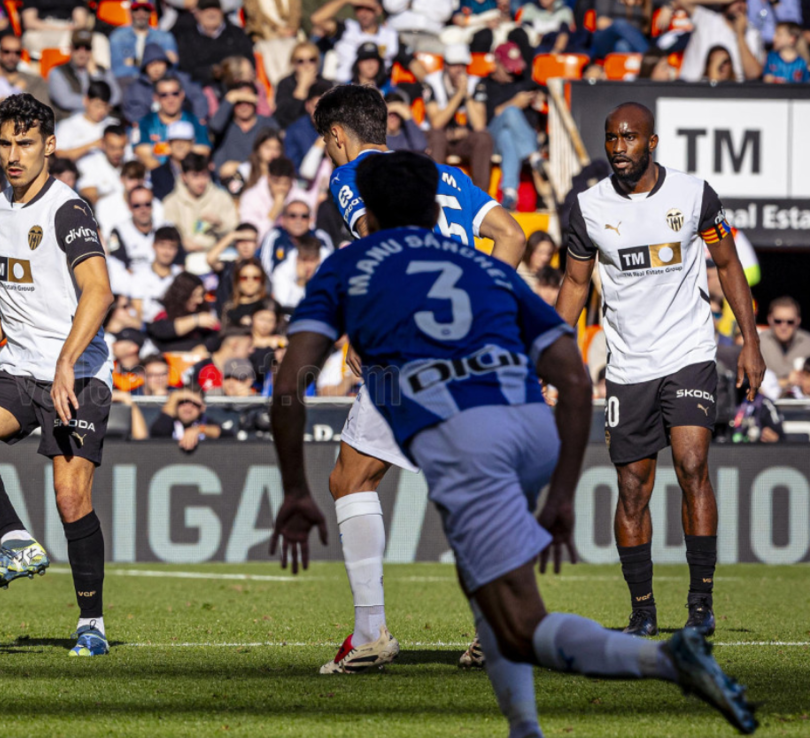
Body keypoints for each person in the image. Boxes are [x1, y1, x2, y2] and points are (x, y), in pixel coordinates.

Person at [270, 150, 758, 737]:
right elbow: (572, 378)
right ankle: (586, 688)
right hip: (517, 424)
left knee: (496, 601)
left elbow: (290, 383)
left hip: (440, 413)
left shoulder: (352, 266)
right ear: (434, 209)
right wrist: (560, 496)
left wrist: (295, 487)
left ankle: (641, 665)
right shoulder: (486, 270)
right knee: (507, 609)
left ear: (367, 214)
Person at [313, 83, 526, 670]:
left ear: (337, 136)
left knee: (351, 480)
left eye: (327, 144)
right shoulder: (445, 176)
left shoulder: (352, 174)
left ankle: (370, 634)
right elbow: (512, 235)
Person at [554, 102, 764, 638]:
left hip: (689, 352)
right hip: (628, 364)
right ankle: (643, 610)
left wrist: (750, 343)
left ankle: (700, 604)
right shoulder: (587, 207)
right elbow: (577, 284)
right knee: (632, 489)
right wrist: (552, 353)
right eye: (610, 137)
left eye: (629, 137)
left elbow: (728, 264)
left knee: (693, 464)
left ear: (651, 142)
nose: (618, 146)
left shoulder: (695, 196)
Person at [0, 94, 116, 658]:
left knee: (69, 498)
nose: (13, 154)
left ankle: (92, 625)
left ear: (50, 146)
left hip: (77, 374)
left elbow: (100, 291)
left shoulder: (68, 210)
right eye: (6, 142)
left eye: (26, 143)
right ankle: (16, 540)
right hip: (19, 369)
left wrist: (65, 362)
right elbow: (14, 304)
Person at [470, 42, 547, 211]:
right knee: (510, 112)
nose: (513, 72)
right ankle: (534, 158)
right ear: (496, 62)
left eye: (515, 67)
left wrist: (540, 100)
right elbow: (483, 122)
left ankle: (510, 192)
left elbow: (547, 93)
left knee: (507, 136)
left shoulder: (524, 81)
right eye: (508, 68)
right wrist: (514, 103)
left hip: (517, 140)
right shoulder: (484, 85)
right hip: (492, 139)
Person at [424, 44, 493, 192]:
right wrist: (458, 94)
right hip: (438, 138)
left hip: (464, 138)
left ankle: (480, 198)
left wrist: (466, 95)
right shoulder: (432, 82)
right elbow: (436, 123)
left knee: (483, 138)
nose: (459, 70)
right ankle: (436, 195)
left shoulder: (476, 83)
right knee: (437, 137)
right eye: (455, 65)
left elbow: (479, 125)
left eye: (463, 65)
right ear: (446, 65)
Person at [162, 154, 239, 270]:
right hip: (183, 260)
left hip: (217, 259)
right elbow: (167, 234)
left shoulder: (222, 197)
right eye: (195, 176)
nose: (201, 182)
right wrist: (182, 243)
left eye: (204, 175)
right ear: (184, 177)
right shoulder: (171, 202)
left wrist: (220, 224)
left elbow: (235, 233)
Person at [131, 75, 212, 169]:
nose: (170, 99)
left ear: (182, 95)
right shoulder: (146, 123)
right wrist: (166, 176)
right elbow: (143, 154)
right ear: (156, 97)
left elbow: (203, 151)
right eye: (164, 95)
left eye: (175, 93)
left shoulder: (194, 121)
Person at [676, 0, 764, 81]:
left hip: (730, 93)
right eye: (735, 1)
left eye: (743, 1)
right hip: (691, 87)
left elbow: (754, 74)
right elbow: (681, 1)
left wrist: (740, 35)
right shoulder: (707, 19)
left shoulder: (752, 33)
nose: (739, 5)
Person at [173, 0, 254, 86]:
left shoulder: (237, 33)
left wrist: (227, 71)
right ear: (197, 14)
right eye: (206, 9)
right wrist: (211, 72)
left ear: (221, 12)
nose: (211, 13)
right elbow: (186, 67)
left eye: (215, 9)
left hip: (236, 83)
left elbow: (248, 59)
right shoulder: (187, 37)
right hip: (201, 86)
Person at [208, 82, 279, 180]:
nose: (243, 106)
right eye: (239, 102)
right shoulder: (225, 123)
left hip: (256, 180)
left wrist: (240, 167)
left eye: (248, 101)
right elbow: (214, 126)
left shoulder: (267, 124)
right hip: (225, 181)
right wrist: (230, 99)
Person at [48, 29, 122, 118]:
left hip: (100, 119)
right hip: (70, 120)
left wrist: (95, 74)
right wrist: (96, 103)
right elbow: (65, 100)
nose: (82, 52)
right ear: (70, 48)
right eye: (77, 47)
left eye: (87, 48)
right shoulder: (58, 71)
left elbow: (116, 97)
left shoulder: (102, 71)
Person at [146, 271, 220, 353]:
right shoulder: (161, 309)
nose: (199, 300)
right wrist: (195, 320)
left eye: (201, 295)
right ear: (182, 295)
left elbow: (216, 335)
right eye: (194, 296)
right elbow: (161, 330)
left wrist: (205, 346)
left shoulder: (203, 309)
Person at [108, 0, 178, 81]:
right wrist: (153, 64)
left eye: (145, 9)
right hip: (128, 82)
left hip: (158, 82)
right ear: (130, 11)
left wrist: (134, 62)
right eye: (136, 9)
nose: (141, 14)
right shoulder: (118, 36)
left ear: (151, 12)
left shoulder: (164, 37)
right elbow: (118, 70)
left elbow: (173, 66)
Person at [127, 225, 183, 322]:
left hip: (175, 328)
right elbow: (137, 311)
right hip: (147, 328)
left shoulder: (181, 276)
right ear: (153, 246)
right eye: (162, 245)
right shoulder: (140, 275)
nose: (166, 252)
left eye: (172, 247)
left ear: (177, 250)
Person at [53, 81, 118, 162]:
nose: (101, 111)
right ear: (86, 101)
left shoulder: (114, 124)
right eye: (97, 105)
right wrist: (93, 145)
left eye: (105, 107)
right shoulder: (68, 125)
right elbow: (59, 155)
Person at [759, 296, 810, 394]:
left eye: (790, 322)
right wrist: (787, 382)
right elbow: (753, 385)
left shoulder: (808, 343)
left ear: (798, 321)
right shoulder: (757, 344)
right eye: (778, 321)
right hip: (767, 404)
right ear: (770, 319)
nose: (784, 326)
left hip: (803, 405)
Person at [149, 386, 222, 449]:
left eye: (194, 404)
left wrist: (199, 429)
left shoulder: (205, 421)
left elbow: (227, 434)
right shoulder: (169, 422)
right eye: (183, 402)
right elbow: (158, 432)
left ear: (202, 407)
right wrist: (174, 396)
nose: (188, 409)